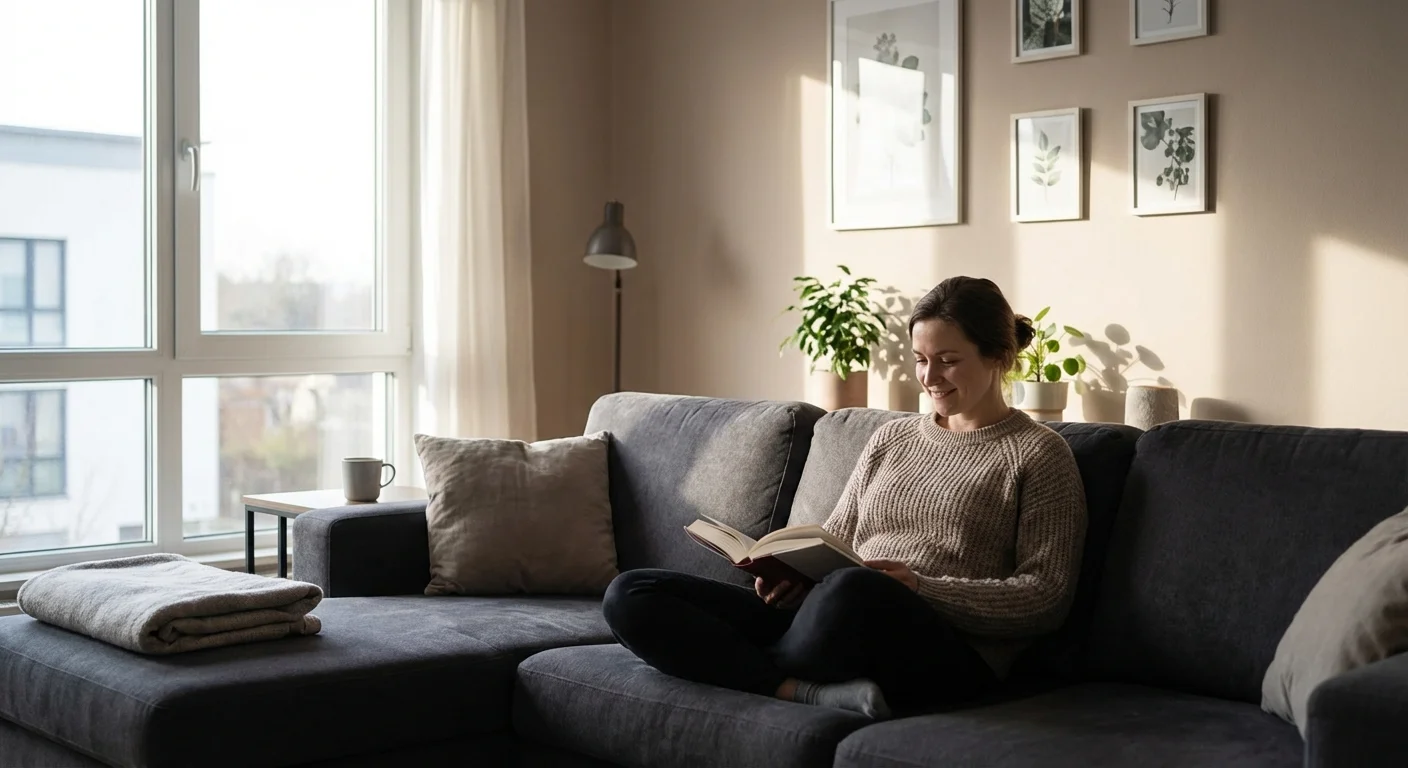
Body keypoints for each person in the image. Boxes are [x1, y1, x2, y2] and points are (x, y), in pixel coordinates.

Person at [601, 276, 1087, 718]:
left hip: (944, 647)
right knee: (632, 593)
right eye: (920, 360)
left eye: (948, 360)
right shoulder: (892, 439)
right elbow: (834, 540)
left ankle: (738, 665)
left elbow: (1045, 597)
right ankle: (792, 688)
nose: (929, 377)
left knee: (856, 589)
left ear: (998, 356)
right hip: (838, 616)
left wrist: (920, 587)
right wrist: (791, 578)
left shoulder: (1038, 454)